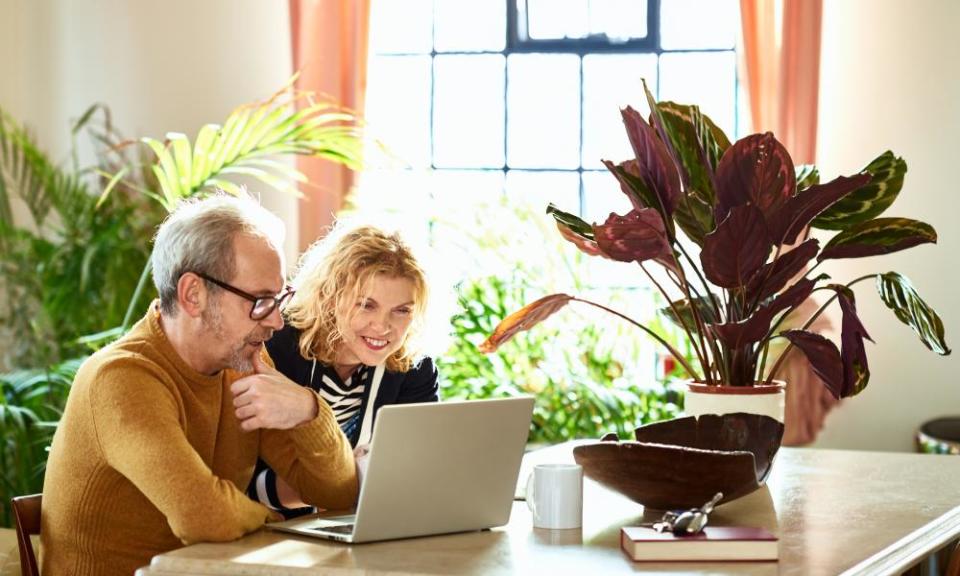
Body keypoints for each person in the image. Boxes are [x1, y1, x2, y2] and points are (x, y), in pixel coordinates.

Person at [41, 194, 358, 576]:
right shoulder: (122, 377)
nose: (276, 322)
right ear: (193, 294)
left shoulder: (243, 365)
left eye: (279, 298)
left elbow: (338, 494)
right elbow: (203, 517)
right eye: (260, 300)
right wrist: (274, 520)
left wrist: (308, 410)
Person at [247, 223, 439, 517]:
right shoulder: (276, 349)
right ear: (330, 297)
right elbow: (248, 482)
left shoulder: (414, 367)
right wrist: (346, 486)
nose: (383, 327)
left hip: (362, 525)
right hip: (275, 533)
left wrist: (344, 484)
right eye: (366, 305)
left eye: (402, 310)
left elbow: (417, 470)